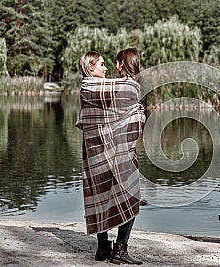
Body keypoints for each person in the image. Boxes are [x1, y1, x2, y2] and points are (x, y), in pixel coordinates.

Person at [76, 49, 145, 265]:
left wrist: (134, 113)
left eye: (107, 64)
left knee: (101, 196)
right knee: (129, 194)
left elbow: (121, 106)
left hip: (102, 151)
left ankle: (103, 248)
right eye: (101, 64)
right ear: (90, 68)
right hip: (103, 152)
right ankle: (119, 250)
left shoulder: (99, 88)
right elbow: (130, 90)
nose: (105, 68)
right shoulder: (90, 86)